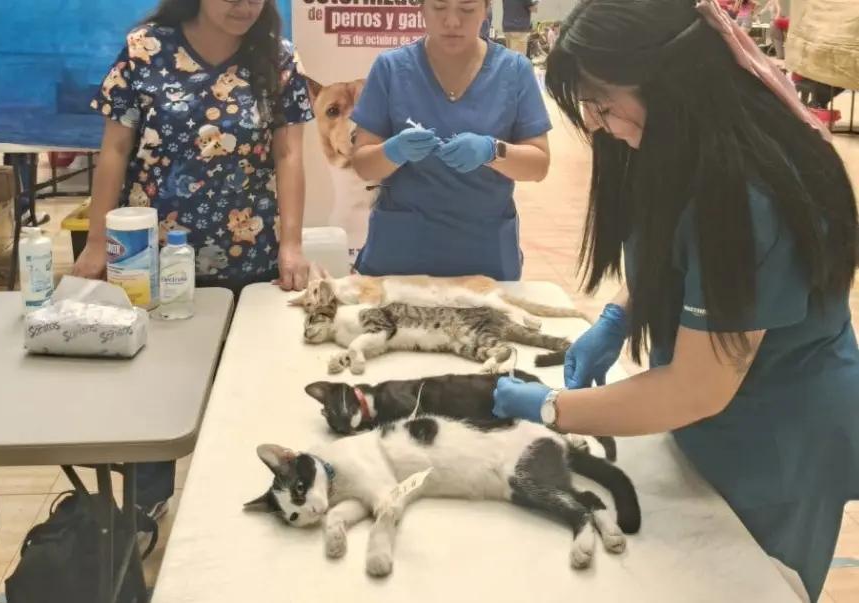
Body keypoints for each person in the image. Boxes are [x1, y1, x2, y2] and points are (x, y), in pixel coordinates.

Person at [492, 0, 859, 601]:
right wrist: (620, 313)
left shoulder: (749, 193)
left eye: (602, 103)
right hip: (714, 416)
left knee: (748, 581)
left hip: (780, 440)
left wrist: (555, 409)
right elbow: (681, 257)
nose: (598, 123)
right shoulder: (672, 146)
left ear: (671, 81)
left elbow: (696, 387)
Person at [77, 0, 314, 522]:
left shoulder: (277, 58)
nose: (243, 6)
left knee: (243, 391)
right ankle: (145, 509)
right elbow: (115, 150)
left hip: (246, 261)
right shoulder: (147, 50)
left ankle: (243, 507)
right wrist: (98, 242)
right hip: (150, 263)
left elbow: (289, 155)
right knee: (155, 392)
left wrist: (291, 245)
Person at [350, 0, 551, 280]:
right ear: (421, 8)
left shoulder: (514, 71)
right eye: (440, 8)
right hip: (400, 254)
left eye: (467, 9)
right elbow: (363, 165)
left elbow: (538, 164)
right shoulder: (391, 69)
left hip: (485, 254)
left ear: (486, 9)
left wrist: (493, 151)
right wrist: (393, 151)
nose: (453, 22)